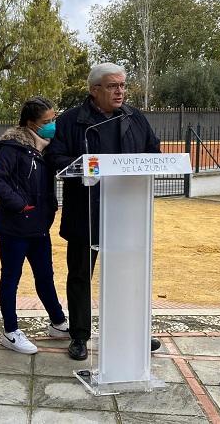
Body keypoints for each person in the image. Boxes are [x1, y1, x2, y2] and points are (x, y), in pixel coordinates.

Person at [47, 62, 162, 360]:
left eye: (123, 85)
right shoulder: (72, 121)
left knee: (127, 275)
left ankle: (131, 331)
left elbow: (153, 152)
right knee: (81, 276)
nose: (120, 91)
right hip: (86, 212)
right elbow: (55, 157)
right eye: (113, 86)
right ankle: (80, 337)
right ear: (94, 89)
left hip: (126, 213)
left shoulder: (135, 118)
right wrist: (86, 164)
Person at [0, 97, 69, 355]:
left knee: (45, 276)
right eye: (47, 122)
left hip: (39, 226)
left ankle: (57, 322)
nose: (52, 125)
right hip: (15, 227)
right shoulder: (14, 148)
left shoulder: (45, 149)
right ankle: (10, 332)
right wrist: (20, 205)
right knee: (11, 277)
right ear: (31, 123)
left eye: (54, 119)